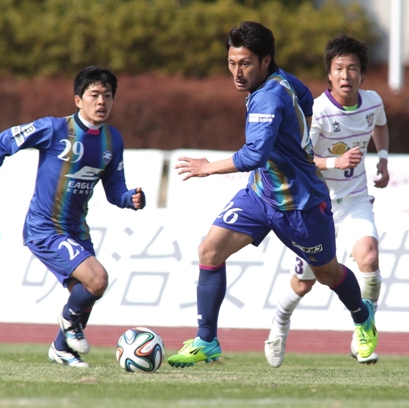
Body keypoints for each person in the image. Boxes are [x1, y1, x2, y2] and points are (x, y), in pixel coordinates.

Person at [166, 21, 378, 368]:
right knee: (209, 250)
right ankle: (207, 341)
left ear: (265, 61)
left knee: (327, 275)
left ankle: (362, 315)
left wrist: (207, 167)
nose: (237, 72)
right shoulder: (283, 79)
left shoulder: (267, 97)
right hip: (260, 195)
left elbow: (254, 155)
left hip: (301, 206)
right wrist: (300, 138)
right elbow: (306, 97)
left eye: (245, 63)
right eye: (232, 63)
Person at [0, 66, 146, 368]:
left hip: (77, 229)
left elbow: (114, 189)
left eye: (107, 95)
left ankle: (62, 349)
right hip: (45, 227)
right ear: (78, 100)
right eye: (94, 95)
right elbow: (3, 141)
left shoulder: (113, 140)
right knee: (98, 279)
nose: (101, 102)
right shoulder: (54, 129)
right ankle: (68, 320)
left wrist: (129, 198)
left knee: (87, 292)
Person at [264, 33, 390, 368]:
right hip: (317, 207)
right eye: (339, 68)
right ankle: (279, 323)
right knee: (303, 284)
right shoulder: (317, 111)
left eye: (352, 68)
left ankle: (363, 332)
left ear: (363, 74)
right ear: (329, 75)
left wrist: (383, 158)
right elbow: (300, 158)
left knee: (370, 258)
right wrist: (336, 161)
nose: (346, 75)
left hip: (356, 200)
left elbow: (380, 125)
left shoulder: (373, 102)